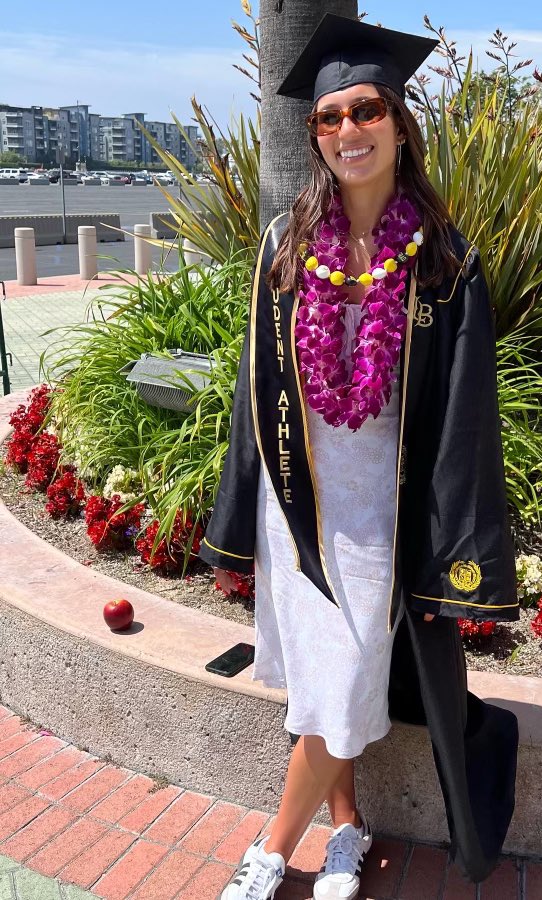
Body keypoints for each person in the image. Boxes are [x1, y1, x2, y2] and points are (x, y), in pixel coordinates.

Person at [198, 14, 521, 900]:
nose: (348, 130)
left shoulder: (445, 263)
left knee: (341, 685)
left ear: (400, 122)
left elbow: (466, 422)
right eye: (329, 117)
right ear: (316, 135)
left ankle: (268, 854)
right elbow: (251, 395)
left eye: (367, 109)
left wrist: (462, 554)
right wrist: (237, 523)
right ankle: (346, 831)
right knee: (316, 683)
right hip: (298, 499)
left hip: (384, 510)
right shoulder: (287, 246)